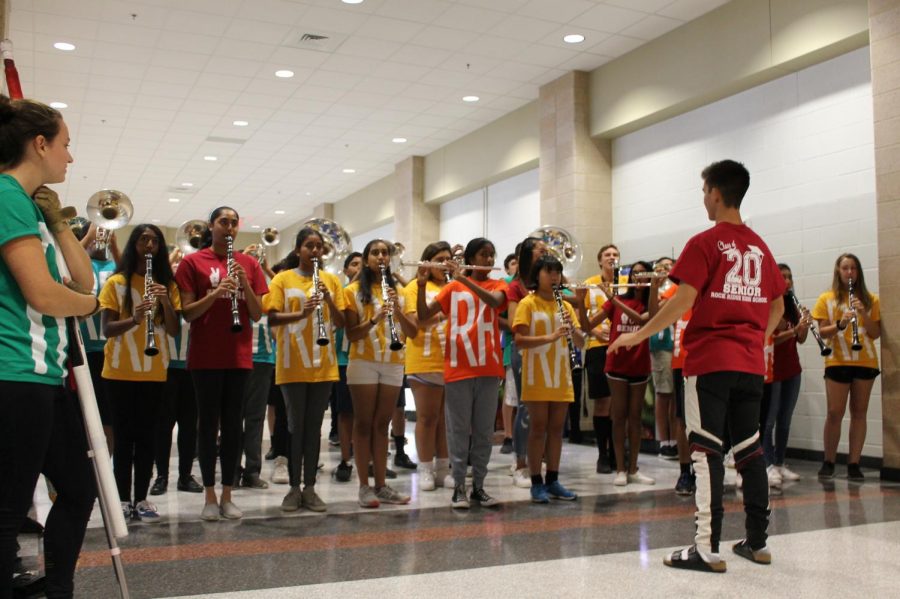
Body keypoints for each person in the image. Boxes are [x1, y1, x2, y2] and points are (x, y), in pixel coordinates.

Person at [609, 159, 785, 573]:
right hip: (749, 364)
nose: (703, 198)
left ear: (717, 194)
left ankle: (706, 546)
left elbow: (683, 301)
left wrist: (636, 335)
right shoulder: (759, 246)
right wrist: (759, 337)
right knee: (749, 448)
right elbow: (777, 304)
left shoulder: (705, 242)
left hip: (709, 361)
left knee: (705, 449)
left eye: (704, 191)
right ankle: (757, 542)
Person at [0, 95, 100, 598]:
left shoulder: (30, 204)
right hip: (15, 373)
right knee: (8, 508)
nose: (70, 157)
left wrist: (59, 224)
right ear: (39, 144)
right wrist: (87, 306)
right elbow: (45, 293)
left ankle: (57, 588)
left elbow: (81, 280)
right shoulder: (4, 196)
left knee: (79, 489)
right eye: (66, 145)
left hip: (44, 376)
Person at [175, 206, 267, 521]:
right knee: (207, 425)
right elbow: (187, 312)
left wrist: (243, 281)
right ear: (211, 226)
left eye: (233, 223)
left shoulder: (249, 264)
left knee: (233, 427)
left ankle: (228, 494)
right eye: (222, 222)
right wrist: (216, 294)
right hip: (204, 356)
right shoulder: (192, 262)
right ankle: (209, 496)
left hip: (239, 356)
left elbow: (257, 313)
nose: (229, 227)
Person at [416, 237, 507, 509]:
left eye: (492, 255)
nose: (489, 260)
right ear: (470, 257)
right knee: (457, 430)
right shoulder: (452, 288)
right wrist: (421, 287)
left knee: (483, 431)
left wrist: (461, 279)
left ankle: (479, 486)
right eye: (483, 255)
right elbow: (422, 316)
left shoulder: (498, 285)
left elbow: (492, 302)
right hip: (458, 367)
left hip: (489, 368)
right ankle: (458, 487)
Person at [99, 224, 181, 521]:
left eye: (155, 241)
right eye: (143, 239)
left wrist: (165, 302)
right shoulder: (116, 283)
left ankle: (142, 499)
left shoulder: (166, 285)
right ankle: (122, 499)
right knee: (123, 439)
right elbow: (107, 329)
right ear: (134, 243)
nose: (149, 245)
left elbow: (173, 329)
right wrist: (134, 319)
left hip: (154, 372)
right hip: (119, 372)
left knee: (148, 437)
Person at [265, 227, 347, 512]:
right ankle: (292, 488)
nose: (315, 251)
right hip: (291, 363)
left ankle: (310, 488)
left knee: (314, 429)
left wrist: (328, 300)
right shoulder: (282, 279)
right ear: (298, 249)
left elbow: (342, 321)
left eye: (318, 247)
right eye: (309, 246)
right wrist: (301, 313)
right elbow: (272, 318)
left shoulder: (331, 281)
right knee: (294, 426)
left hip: (323, 364)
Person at [343, 240, 410, 508]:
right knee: (363, 423)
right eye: (375, 253)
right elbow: (350, 334)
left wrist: (399, 310)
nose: (381, 257)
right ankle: (364, 486)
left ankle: (381, 485)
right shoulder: (351, 292)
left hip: (393, 361)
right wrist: (375, 318)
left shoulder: (400, 292)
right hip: (363, 361)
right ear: (366, 258)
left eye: (385, 253)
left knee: (383, 424)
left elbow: (413, 331)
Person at [512, 254, 583, 503]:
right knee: (538, 428)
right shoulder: (527, 304)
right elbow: (519, 340)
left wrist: (573, 331)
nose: (554, 277)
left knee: (556, 430)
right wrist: (552, 337)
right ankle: (536, 481)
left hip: (561, 373)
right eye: (549, 272)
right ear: (537, 275)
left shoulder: (563, 305)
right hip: (536, 374)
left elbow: (581, 341)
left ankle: (553, 479)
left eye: (557, 272)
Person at [580, 261, 658, 487]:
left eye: (643, 273)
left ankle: (634, 468)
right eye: (635, 273)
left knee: (635, 417)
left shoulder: (650, 302)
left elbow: (644, 319)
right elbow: (587, 326)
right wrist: (578, 299)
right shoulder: (618, 300)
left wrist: (652, 288)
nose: (639, 277)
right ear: (629, 276)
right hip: (616, 365)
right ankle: (621, 469)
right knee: (618, 416)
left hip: (639, 365)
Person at [812, 253, 881, 481]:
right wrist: (841, 324)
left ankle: (854, 463)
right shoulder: (826, 298)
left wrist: (862, 312)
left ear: (858, 272)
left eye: (853, 268)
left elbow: (875, 333)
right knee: (834, 412)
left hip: (865, 361)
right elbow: (821, 332)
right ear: (838, 271)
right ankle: (829, 461)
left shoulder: (871, 300)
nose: (849, 272)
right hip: (837, 360)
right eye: (845, 268)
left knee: (859, 413)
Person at [400, 242, 452, 492]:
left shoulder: (455, 286)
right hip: (424, 358)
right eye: (439, 259)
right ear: (427, 262)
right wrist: (444, 315)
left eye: (448, 259)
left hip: (452, 361)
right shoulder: (413, 287)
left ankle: (444, 469)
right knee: (427, 417)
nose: (444, 264)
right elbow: (415, 322)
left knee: (446, 419)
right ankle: (425, 468)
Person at [761, 263, 808, 487]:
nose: (787, 281)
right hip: (773, 369)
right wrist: (793, 330)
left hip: (792, 369)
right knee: (768, 420)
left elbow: (801, 339)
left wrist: (804, 326)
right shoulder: (769, 305)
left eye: (790, 277)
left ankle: (780, 461)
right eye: (783, 277)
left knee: (785, 419)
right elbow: (770, 337)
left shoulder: (791, 305)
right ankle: (767, 464)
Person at [506, 237, 546, 489]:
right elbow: (513, 322)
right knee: (526, 407)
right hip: (524, 350)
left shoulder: (548, 281)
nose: (545, 252)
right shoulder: (515, 286)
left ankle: (536, 459)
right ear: (529, 254)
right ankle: (520, 463)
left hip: (547, 350)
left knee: (544, 409)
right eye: (541, 249)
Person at [581, 244, 620, 474]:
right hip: (597, 347)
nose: (612, 258)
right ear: (599, 260)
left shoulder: (624, 282)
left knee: (619, 402)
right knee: (603, 401)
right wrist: (594, 332)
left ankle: (617, 452)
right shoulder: (589, 284)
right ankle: (602, 454)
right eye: (607, 255)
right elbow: (582, 317)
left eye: (615, 254)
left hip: (621, 346)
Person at [331, 252, 362, 483]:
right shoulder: (342, 290)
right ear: (346, 270)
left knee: (368, 414)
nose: (359, 268)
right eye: (354, 264)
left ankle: (369, 460)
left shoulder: (374, 291)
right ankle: (345, 460)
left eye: (363, 264)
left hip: (368, 357)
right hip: (343, 358)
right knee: (346, 412)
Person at [649, 257, 677, 460]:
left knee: (676, 395)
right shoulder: (658, 290)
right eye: (662, 266)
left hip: (680, 346)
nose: (666, 269)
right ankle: (664, 440)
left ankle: (675, 438)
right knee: (663, 392)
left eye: (670, 265)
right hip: (663, 344)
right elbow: (654, 312)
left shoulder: (680, 287)